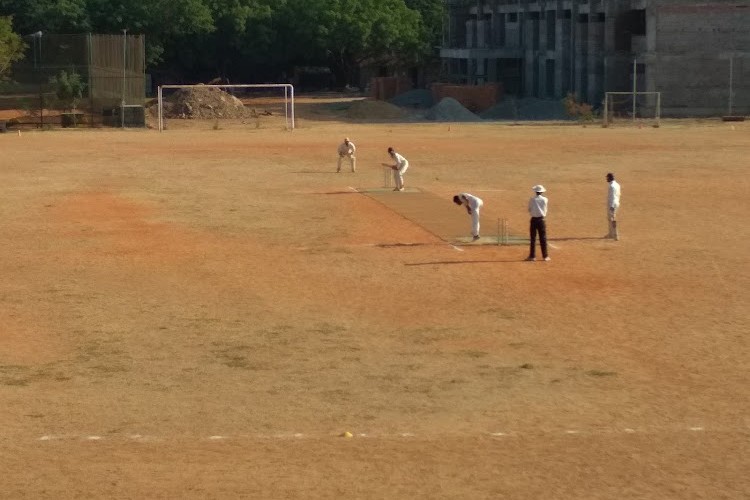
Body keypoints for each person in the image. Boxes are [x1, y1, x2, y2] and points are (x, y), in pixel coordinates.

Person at [527, 185, 550, 261]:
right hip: (542, 220)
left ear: (535, 192)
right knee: (543, 238)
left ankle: (532, 256)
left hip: (534, 220)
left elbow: (529, 209)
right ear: (542, 192)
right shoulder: (545, 199)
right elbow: (545, 209)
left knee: (533, 238)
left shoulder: (532, 199)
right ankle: (545, 256)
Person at [606, 172, 621, 241]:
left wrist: (611, 206)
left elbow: (612, 197)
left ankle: (615, 235)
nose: (606, 179)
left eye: (607, 178)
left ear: (609, 178)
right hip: (616, 203)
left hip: (612, 204)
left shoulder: (612, 186)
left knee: (612, 219)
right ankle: (611, 233)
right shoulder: (617, 184)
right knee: (610, 219)